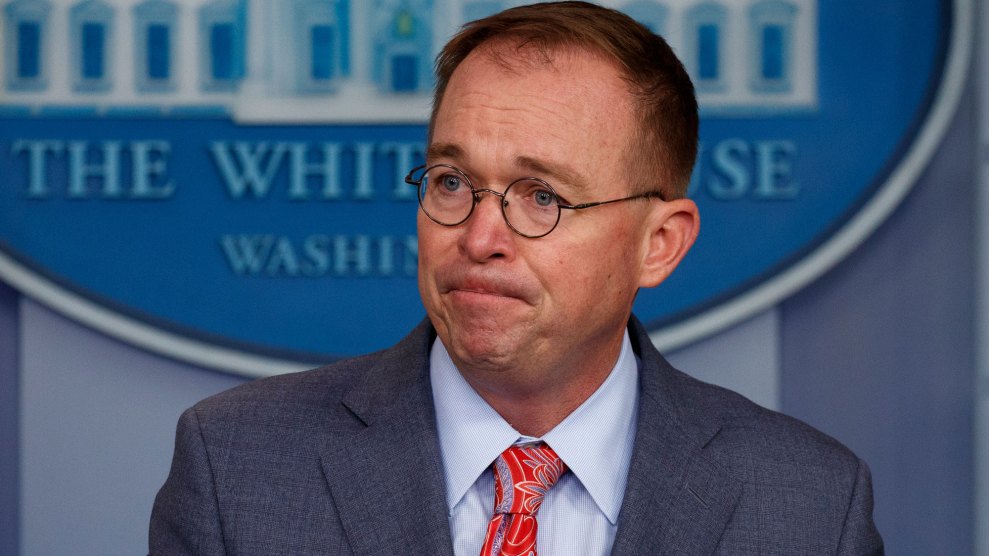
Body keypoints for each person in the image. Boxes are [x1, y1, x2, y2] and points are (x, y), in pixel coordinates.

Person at [150, 2, 883, 554]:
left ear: (658, 245)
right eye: (450, 181)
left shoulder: (809, 506)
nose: (478, 237)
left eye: (542, 197)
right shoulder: (237, 465)